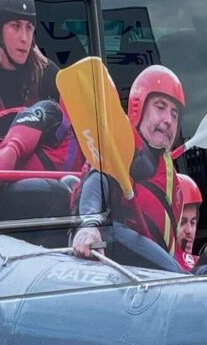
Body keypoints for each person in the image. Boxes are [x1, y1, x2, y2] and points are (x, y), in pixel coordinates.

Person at [69, 65, 188, 266]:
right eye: (160, 107)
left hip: (155, 279)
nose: (168, 120)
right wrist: (90, 224)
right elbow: (98, 179)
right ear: (138, 108)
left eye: (174, 114)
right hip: (119, 262)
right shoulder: (120, 143)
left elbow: (172, 248)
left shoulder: (173, 182)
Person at [0, 99, 85, 232]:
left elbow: (13, 146)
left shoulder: (48, 115)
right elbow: (13, 146)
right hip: (23, 210)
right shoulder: (49, 110)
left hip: (59, 214)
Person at [173, 173, 204, 267]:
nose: (189, 231)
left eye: (193, 222)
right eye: (182, 223)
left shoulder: (197, 262)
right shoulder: (161, 266)